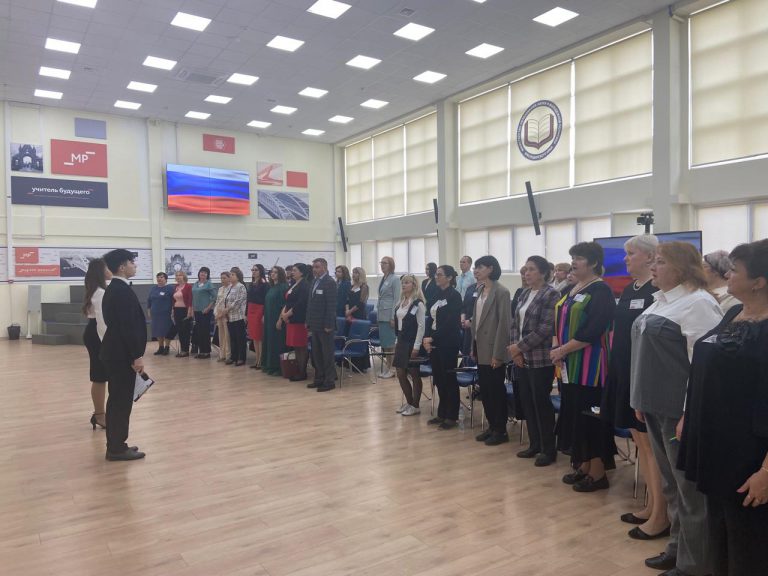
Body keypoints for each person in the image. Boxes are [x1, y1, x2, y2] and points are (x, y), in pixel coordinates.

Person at [630, 241, 722, 576]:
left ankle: (694, 565)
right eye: (653, 261)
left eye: (660, 262)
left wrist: (688, 413)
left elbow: (703, 365)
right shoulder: (661, 301)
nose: (653, 267)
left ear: (682, 268)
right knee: (671, 485)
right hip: (654, 406)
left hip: (678, 411)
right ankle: (677, 548)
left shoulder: (698, 303)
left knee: (689, 491)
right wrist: (640, 400)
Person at [679, 239, 768, 576]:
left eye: (735, 270)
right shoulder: (733, 313)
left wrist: (766, 471)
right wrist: (689, 414)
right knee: (721, 536)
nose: (726, 275)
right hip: (718, 448)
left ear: (759, 282)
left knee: (750, 545)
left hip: (751, 456)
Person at [600, 235, 670, 540]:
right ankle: (652, 505)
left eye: (631, 254)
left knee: (653, 447)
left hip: (643, 373)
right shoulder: (631, 289)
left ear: (650, 257)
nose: (625, 259)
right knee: (642, 444)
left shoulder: (658, 291)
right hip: (624, 370)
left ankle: (661, 514)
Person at [551, 241, 617, 492]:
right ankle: (584, 465)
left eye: (579, 258)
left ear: (594, 263)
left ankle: (598, 473)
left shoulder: (601, 291)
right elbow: (559, 320)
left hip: (591, 367)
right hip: (569, 365)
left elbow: (594, 329)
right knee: (576, 417)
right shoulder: (573, 288)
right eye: (573, 257)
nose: (574, 262)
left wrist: (562, 350)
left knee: (591, 419)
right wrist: (557, 348)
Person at [508, 255, 560, 466]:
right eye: (525, 269)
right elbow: (515, 324)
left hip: (540, 358)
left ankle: (548, 449)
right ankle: (535, 444)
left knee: (541, 403)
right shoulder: (524, 293)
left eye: (531, 269)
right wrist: (516, 352)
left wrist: (518, 347)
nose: (526, 273)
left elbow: (545, 328)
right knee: (527, 402)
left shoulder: (551, 294)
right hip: (521, 357)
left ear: (543, 273)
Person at [99, 249, 147, 461]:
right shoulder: (120, 291)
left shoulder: (116, 289)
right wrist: (137, 355)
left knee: (118, 400)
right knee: (120, 402)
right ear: (121, 267)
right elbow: (127, 327)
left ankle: (117, 443)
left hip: (116, 352)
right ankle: (116, 448)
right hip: (121, 354)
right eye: (131, 262)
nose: (134, 266)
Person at [471, 255, 511, 446]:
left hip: (493, 350)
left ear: (491, 269)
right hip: (480, 347)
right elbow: (476, 322)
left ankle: (500, 430)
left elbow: (504, 325)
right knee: (485, 390)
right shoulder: (479, 290)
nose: (476, 271)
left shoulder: (501, 292)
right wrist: (473, 347)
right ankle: (492, 426)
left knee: (495, 391)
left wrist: (498, 354)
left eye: (480, 267)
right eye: (475, 267)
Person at [423, 265, 462, 430]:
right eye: (436, 274)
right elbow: (430, 318)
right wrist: (426, 338)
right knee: (439, 379)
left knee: (449, 379)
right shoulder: (436, 294)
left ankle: (452, 415)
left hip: (448, 342)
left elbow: (450, 322)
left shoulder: (454, 296)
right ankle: (442, 413)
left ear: (450, 278)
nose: (436, 277)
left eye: (440, 275)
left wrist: (433, 337)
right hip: (434, 341)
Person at [82, 258, 111, 430]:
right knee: (99, 375)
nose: (110, 270)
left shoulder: (95, 290)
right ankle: (99, 414)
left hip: (93, 332)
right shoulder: (99, 292)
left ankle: (100, 413)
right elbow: (102, 322)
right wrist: (108, 342)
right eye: (107, 268)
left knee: (100, 374)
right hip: (97, 334)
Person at [393, 274, 426, 416]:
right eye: (403, 283)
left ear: (414, 285)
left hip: (412, 341)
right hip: (401, 340)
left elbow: (421, 326)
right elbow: (399, 324)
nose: (404, 285)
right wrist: (397, 341)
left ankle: (416, 405)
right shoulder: (401, 302)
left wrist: (417, 346)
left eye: (407, 283)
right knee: (400, 373)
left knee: (414, 373)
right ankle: (409, 402)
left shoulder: (418, 303)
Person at [306, 258, 337, 392]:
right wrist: (308, 321)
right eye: (313, 267)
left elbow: (331, 306)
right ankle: (319, 378)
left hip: (325, 325)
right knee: (317, 354)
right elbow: (310, 303)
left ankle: (329, 381)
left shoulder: (329, 282)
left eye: (317, 267)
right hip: (315, 324)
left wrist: (329, 324)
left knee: (327, 354)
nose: (314, 269)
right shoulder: (314, 281)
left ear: (324, 267)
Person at [280, 263, 310, 381]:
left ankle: (302, 372)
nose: (292, 272)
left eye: (295, 270)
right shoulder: (294, 284)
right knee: (296, 346)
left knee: (301, 346)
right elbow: (287, 300)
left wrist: (287, 314)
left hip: (299, 319)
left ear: (301, 272)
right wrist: (283, 314)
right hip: (290, 318)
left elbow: (301, 303)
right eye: (292, 270)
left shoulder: (304, 285)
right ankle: (298, 370)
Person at [262, 266, 288, 376]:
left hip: (277, 318)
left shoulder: (283, 287)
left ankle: (278, 367)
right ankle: (269, 365)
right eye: (272, 272)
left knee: (277, 343)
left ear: (280, 274)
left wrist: (280, 319)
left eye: (275, 272)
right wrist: (264, 315)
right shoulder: (272, 287)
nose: (272, 274)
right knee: (269, 341)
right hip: (269, 318)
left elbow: (285, 305)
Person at [377, 256, 401, 378]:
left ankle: (392, 369)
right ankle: (388, 367)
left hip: (389, 316)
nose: (382, 265)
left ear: (391, 265)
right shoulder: (383, 278)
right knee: (385, 344)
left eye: (385, 263)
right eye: (381, 263)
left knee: (391, 344)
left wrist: (393, 317)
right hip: (381, 315)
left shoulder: (395, 279)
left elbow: (396, 299)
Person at [345, 267, 371, 372]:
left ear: (360, 274)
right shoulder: (352, 286)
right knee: (350, 337)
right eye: (353, 272)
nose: (354, 274)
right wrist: (347, 311)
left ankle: (361, 364)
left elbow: (361, 303)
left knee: (359, 338)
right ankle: (350, 363)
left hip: (359, 315)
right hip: (349, 314)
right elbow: (347, 300)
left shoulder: (364, 286)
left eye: (356, 273)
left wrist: (350, 311)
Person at [165, 270, 193, 357]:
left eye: (180, 275)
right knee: (180, 331)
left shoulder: (188, 286)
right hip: (177, 310)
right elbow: (174, 300)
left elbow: (190, 299)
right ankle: (182, 350)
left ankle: (185, 350)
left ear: (184, 276)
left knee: (185, 331)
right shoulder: (176, 287)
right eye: (176, 275)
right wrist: (173, 310)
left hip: (185, 310)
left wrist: (189, 311)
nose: (178, 277)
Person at [224, 266, 248, 366]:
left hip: (238, 316)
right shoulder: (230, 287)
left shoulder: (241, 286)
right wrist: (225, 311)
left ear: (238, 277)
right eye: (230, 274)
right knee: (233, 338)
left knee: (240, 338)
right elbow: (226, 300)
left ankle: (241, 358)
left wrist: (227, 309)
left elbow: (238, 301)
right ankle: (234, 357)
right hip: (230, 317)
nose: (230, 276)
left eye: (233, 274)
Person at [191, 267, 216, 359]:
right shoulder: (196, 284)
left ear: (207, 275)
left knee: (205, 331)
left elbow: (215, 297)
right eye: (202, 272)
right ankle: (201, 351)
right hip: (197, 311)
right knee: (199, 331)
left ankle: (206, 352)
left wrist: (208, 308)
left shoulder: (209, 284)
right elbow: (193, 297)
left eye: (205, 273)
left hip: (206, 311)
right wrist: (192, 309)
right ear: (199, 273)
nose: (203, 274)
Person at [247, 264, 268, 368]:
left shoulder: (264, 284)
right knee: (254, 336)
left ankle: (261, 360)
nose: (254, 272)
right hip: (251, 309)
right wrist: (246, 313)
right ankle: (256, 359)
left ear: (261, 271)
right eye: (252, 270)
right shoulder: (251, 284)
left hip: (259, 309)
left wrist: (264, 314)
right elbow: (248, 299)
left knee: (259, 336)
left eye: (256, 270)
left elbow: (265, 300)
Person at [147, 272, 173, 356]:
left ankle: (167, 347)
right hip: (155, 313)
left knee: (166, 330)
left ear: (166, 279)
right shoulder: (153, 288)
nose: (159, 279)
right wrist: (149, 310)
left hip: (166, 313)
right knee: (157, 330)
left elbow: (174, 300)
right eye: (158, 277)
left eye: (161, 277)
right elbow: (149, 300)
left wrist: (173, 310)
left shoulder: (170, 288)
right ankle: (161, 347)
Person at [213, 271, 231, 362]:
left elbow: (230, 303)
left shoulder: (231, 289)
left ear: (229, 278)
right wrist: (216, 313)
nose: (222, 280)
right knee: (221, 335)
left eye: (224, 278)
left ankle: (228, 355)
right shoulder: (220, 289)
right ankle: (222, 355)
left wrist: (223, 313)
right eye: (221, 278)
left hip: (227, 314)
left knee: (227, 336)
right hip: (219, 314)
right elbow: (217, 302)